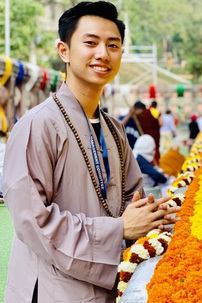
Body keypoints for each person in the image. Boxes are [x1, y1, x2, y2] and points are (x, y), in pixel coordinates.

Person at [2, 2, 180, 302]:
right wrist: (120, 228)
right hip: (54, 289)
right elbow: (33, 220)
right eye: (90, 42)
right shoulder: (39, 125)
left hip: (109, 283)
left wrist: (152, 214)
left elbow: (130, 197)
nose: (103, 54)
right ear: (64, 51)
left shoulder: (114, 129)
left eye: (113, 45)